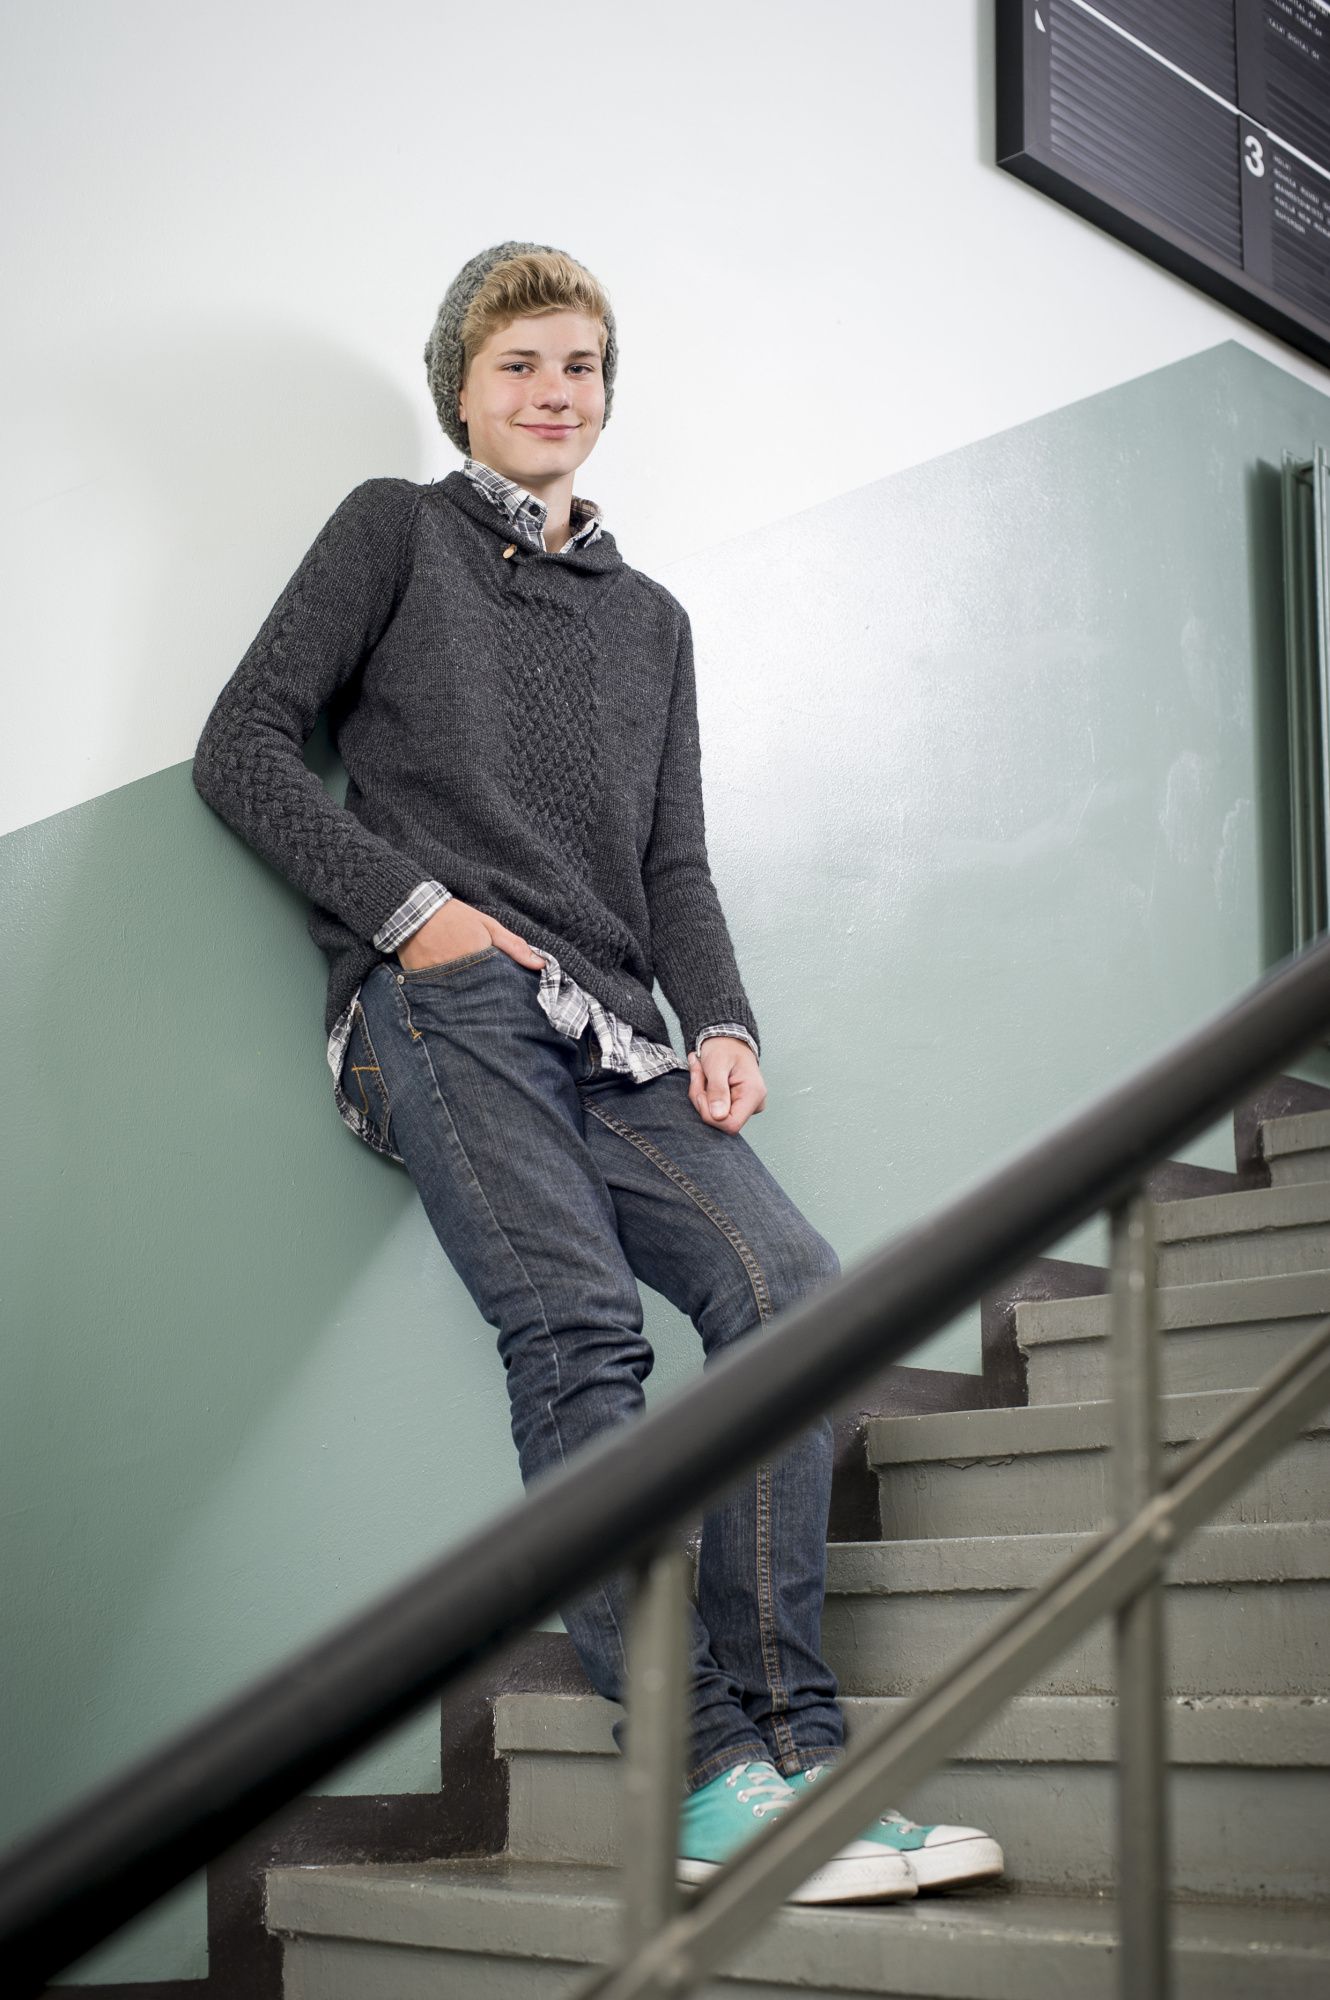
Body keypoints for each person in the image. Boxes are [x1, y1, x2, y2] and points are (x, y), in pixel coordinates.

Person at [191, 239, 1003, 1904]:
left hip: (618, 1032)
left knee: (789, 1289)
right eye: (519, 364)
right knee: (576, 1331)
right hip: (446, 1007)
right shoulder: (394, 531)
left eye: (580, 366)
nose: (554, 392)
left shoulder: (651, 621)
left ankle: (799, 1763)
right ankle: (698, 1781)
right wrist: (417, 919)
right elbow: (242, 749)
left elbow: (671, 863)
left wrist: (725, 1024)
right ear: (461, 388)